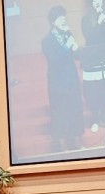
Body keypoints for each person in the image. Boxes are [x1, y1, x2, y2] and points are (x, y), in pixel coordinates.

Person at [42, 5, 85, 152]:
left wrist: (76, 48)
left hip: (71, 80)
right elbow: (54, 59)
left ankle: (74, 142)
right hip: (58, 83)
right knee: (60, 111)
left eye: (64, 18)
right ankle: (59, 146)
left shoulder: (68, 35)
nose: (64, 21)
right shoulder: (47, 41)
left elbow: (76, 57)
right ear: (53, 21)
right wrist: (67, 46)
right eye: (61, 18)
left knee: (74, 109)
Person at [81, 0, 105, 133]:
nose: (98, 2)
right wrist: (98, 23)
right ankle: (95, 119)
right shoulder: (86, 19)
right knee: (94, 92)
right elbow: (89, 36)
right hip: (92, 60)